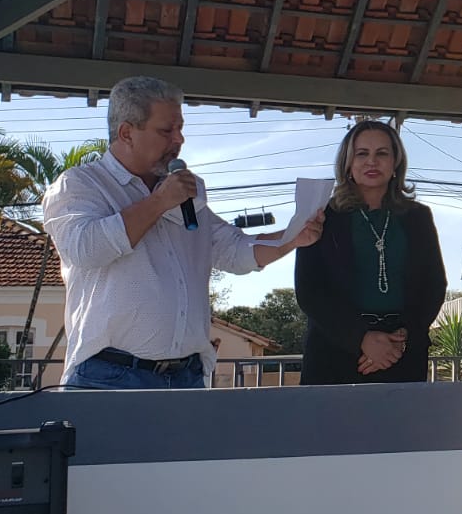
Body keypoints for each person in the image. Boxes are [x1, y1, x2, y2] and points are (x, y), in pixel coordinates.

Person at [42, 76, 323, 389]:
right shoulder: (79, 184)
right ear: (126, 133)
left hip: (186, 377)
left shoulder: (186, 191)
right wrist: (159, 202)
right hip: (109, 376)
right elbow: (85, 249)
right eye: (166, 130)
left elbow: (233, 251)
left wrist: (292, 238)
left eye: (180, 128)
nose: (179, 139)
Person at [294, 120, 447, 384]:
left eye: (382, 153)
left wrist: (401, 339)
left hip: (401, 353)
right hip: (335, 353)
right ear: (348, 163)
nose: (372, 161)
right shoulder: (321, 216)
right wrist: (361, 339)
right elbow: (309, 290)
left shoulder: (418, 217)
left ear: (396, 162)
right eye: (362, 153)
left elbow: (434, 285)